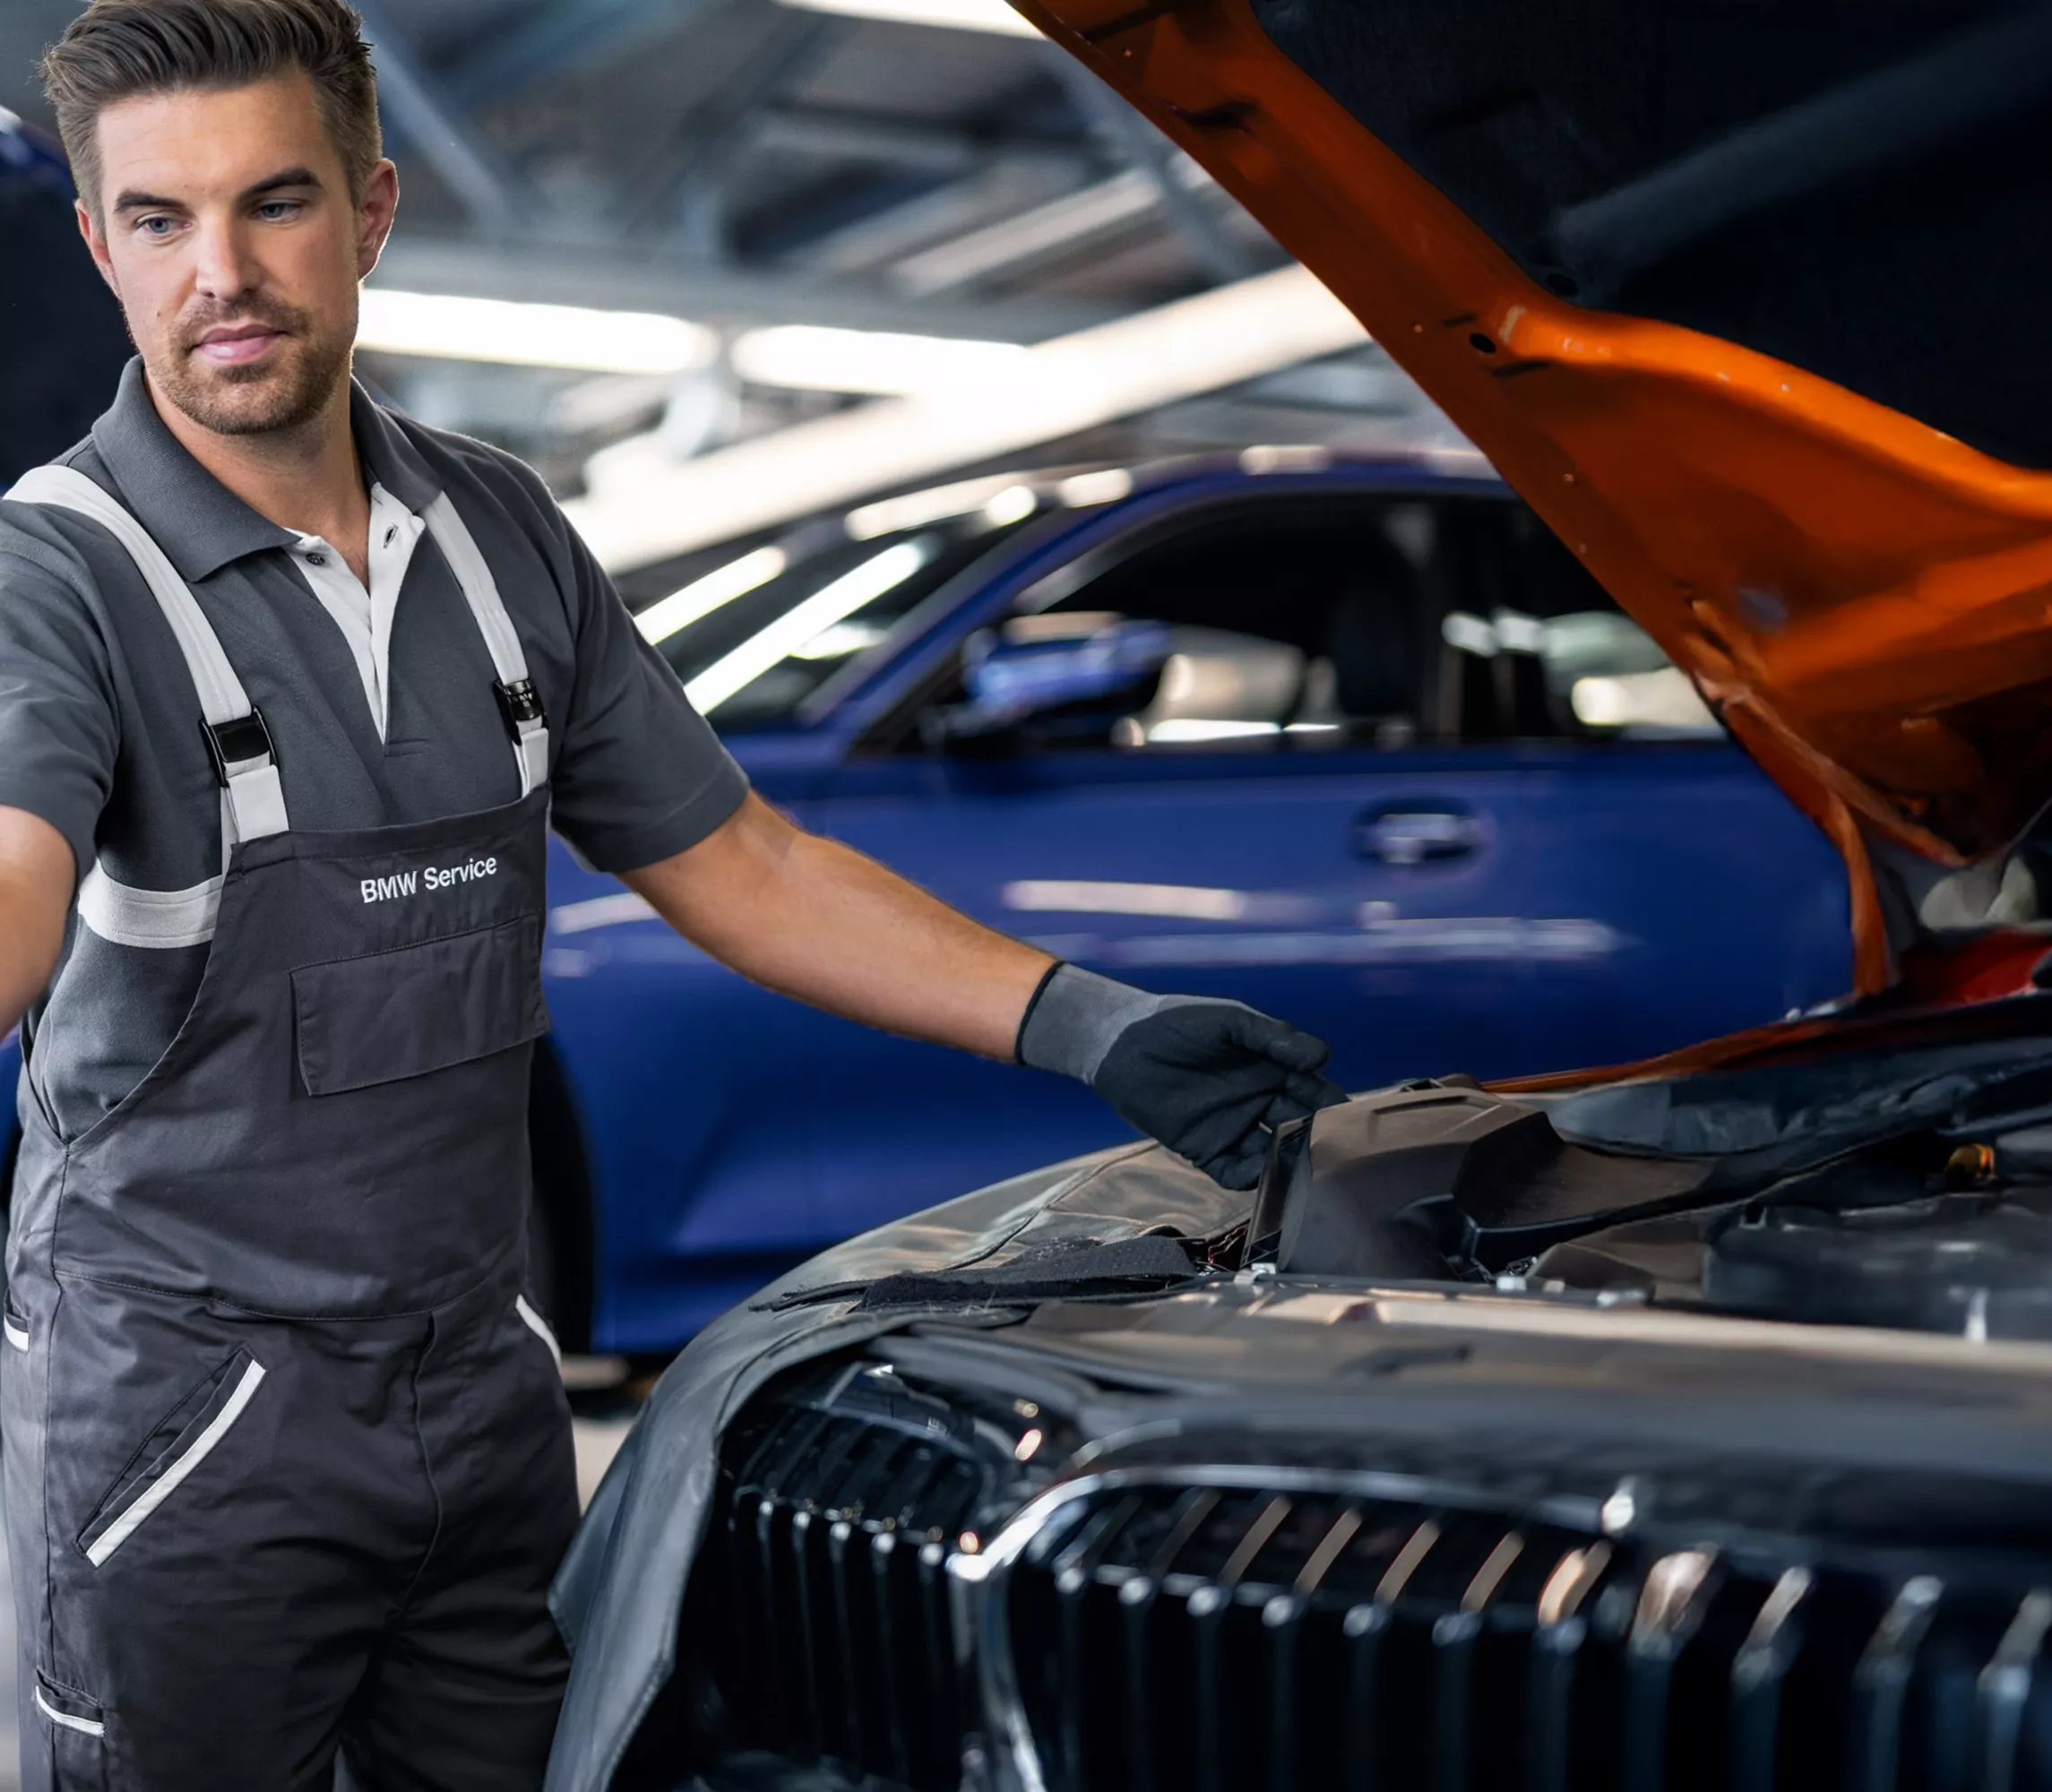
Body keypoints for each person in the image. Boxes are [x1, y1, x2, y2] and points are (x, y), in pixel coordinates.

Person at [0, 2, 1346, 1786]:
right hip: (188, 1433)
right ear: (98, 245)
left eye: (275, 203)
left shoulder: (498, 532)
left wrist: (1085, 1020)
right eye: (160, 221)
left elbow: (739, 859)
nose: (221, 273)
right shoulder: (58, 570)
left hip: (483, 1394)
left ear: (374, 208)